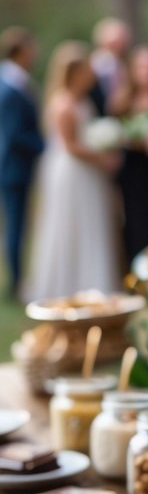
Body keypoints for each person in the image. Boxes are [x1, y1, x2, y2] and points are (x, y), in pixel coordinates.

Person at [28, 42, 122, 299]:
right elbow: (71, 146)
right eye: (86, 71)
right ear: (73, 73)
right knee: (72, 225)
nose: (91, 76)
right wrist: (102, 158)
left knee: (92, 223)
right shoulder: (63, 104)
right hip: (72, 173)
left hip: (87, 173)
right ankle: (68, 284)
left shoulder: (82, 101)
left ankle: (94, 280)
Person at [108, 45, 148, 260]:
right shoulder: (122, 100)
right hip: (131, 170)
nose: (146, 72)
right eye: (142, 67)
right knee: (133, 219)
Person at [0, 28, 43, 297]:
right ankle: (15, 283)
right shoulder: (10, 86)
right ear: (20, 51)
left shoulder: (16, 82)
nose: (35, 54)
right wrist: (46, 147)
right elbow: (15, 134)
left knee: (18, 224)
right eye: (31, 48)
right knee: (15, 225)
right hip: (14, 168)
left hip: (15, 166)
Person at [89, 17, 131, 114]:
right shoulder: (94, 65)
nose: (119, 45)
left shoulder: (125, 64)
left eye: (121, 41)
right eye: (115, 42)